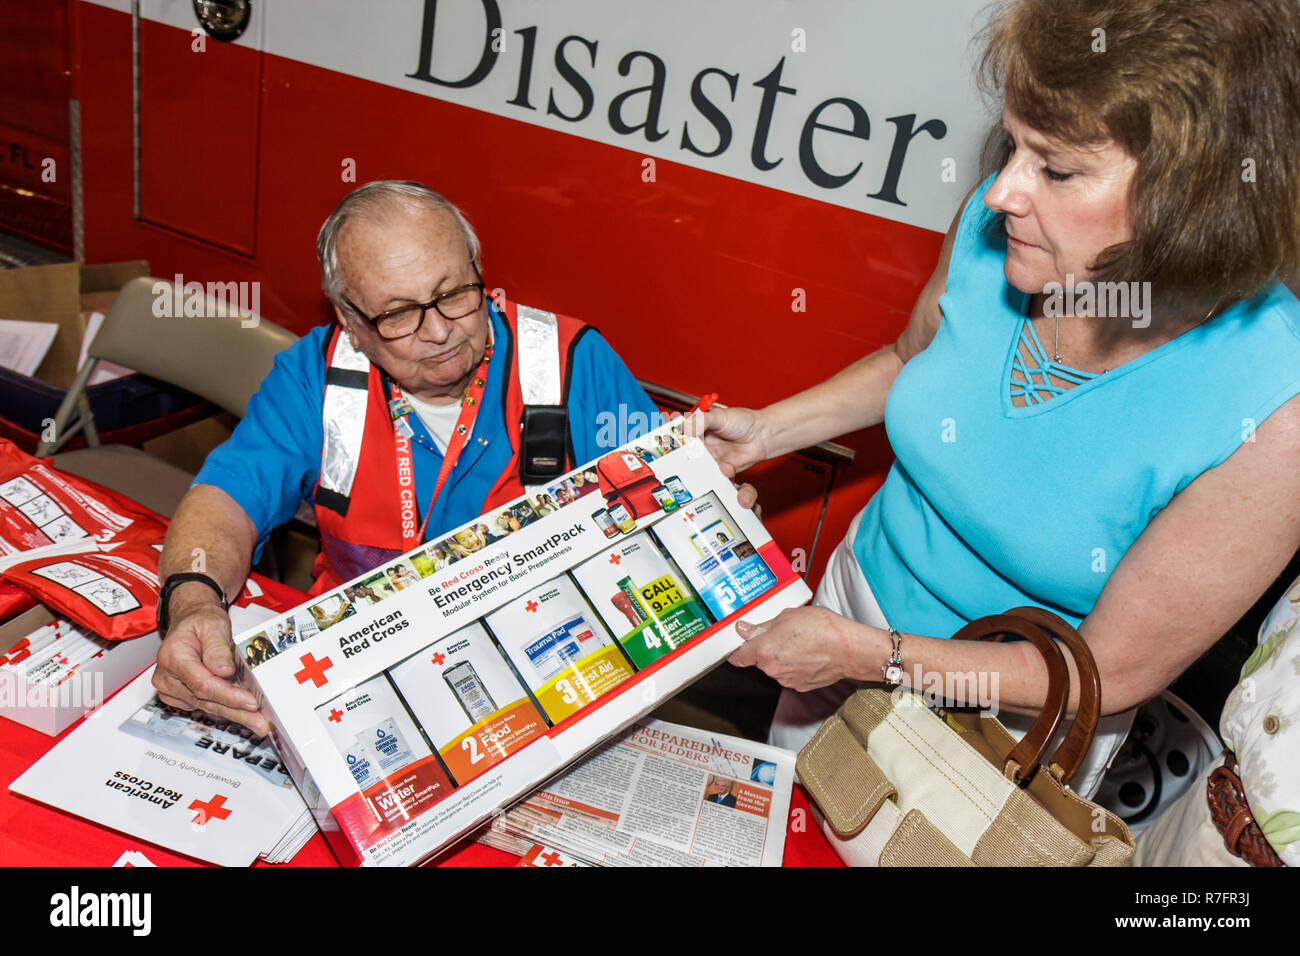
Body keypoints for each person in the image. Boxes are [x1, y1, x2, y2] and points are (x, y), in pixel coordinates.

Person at [702, 0, 1300, 798]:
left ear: (1195, 200)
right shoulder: (1014, 226)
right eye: (1014, 147)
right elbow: (909, 357)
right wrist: (765, 431)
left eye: (1055, 168)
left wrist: (867, 659)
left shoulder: (1274, 408)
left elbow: (1110, 673)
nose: (1001, 191)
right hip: (847, 609)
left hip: (1003, 727)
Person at [152, 181, 662, 733]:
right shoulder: (313, 379)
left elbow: (662, 515)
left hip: (551, 665)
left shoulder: (573, 363)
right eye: (398, 314)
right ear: (350, 322)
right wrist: (193, 602)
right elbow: (226, 500)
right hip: (363, 667)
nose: (440, 331)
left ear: (477, 270)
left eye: (453, 294)